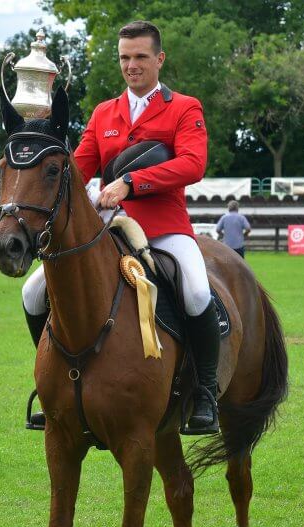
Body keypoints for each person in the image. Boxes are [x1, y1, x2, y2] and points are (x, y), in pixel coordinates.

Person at [20, 19, 220, 434]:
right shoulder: (104, 113)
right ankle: (50, 381)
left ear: (159, 59)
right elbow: (77, 169)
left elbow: (192, 163)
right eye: (125, 58)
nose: (132, 65)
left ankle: (205, 392)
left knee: (198, 292)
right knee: (32, 290)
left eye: (141, 57)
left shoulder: (185, 107)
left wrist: (131, 182)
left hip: (164, 228)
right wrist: (39, 134)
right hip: (109, 228)